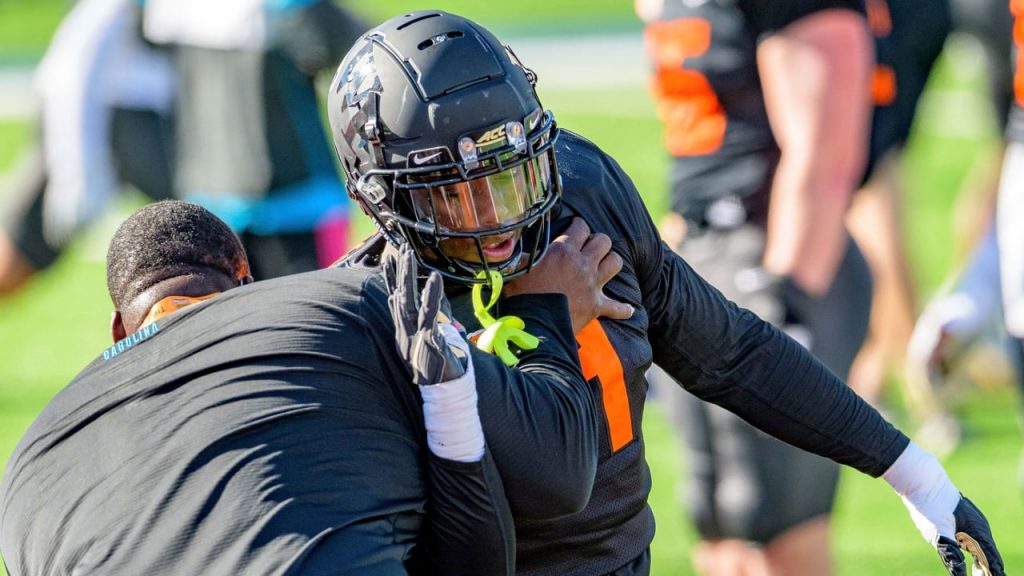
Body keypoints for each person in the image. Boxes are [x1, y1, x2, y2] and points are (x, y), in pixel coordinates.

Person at [329, 10, 1005, 576]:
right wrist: (546, 316)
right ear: (382, 197)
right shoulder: (369, 319)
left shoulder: (581, 196)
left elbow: (731, 351)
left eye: (508, 173)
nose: (498, 217)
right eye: (454, 192)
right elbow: (545, 487)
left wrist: (914, 474)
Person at [0, 200, 624, 575]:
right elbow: (551, 474)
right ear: (246, 283)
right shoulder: (348, 307)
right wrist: (543, 313)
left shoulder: (27, 466)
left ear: (117, 328)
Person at [637, 0, 873, 572]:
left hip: (769, 257)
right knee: (715, 517)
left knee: (776, 522)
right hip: (698, 256)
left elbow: (826, 154)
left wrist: (785, 301)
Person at [139, 0, 365, 278]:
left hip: (211, 198)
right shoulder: (289, 7)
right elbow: (361, 53)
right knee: (320, 302)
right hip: (296, 194)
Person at [0, 0, 175, 296]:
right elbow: (86, 39)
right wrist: (76, 165)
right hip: (119, 107)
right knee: (223, 233)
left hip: (146, 106)